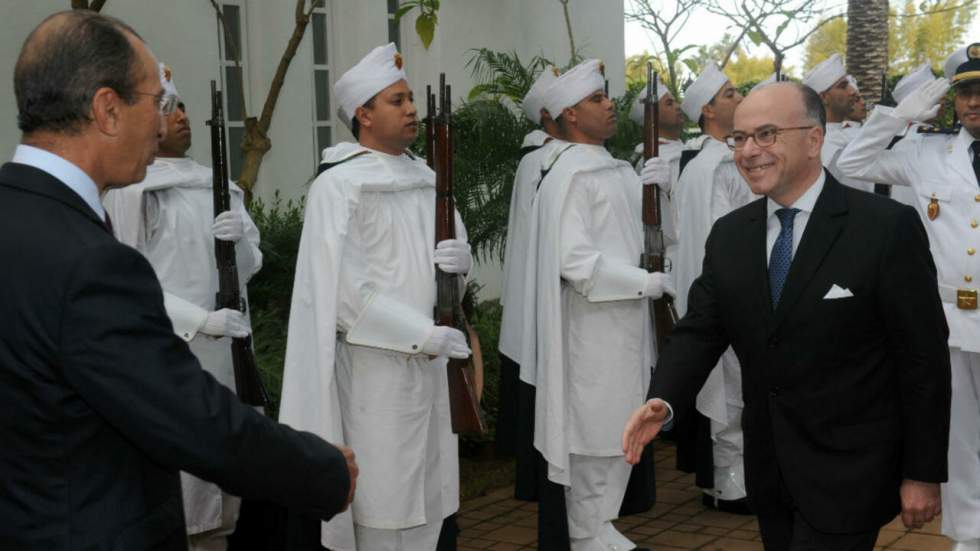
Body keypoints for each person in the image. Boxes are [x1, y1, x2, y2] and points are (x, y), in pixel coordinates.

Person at [0, 10, 356, 550]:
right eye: (158, 103)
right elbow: (191, 419)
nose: (164, 124)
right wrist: (323, 470)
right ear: (107, 110)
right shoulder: (93, 263)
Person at [622, 81, 950, 551]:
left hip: (851, 472)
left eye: (766, 135)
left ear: (814, 139)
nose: (748, 151)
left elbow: (922, 360)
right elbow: (700, 331)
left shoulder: (883, 228)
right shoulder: (732, 235)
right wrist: (664, 400)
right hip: (770, 470)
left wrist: (922, 473)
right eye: (739, 138)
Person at [278, 43, 472, 551]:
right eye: (396, 100)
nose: (411, 110)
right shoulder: (339, 186)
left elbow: (453, 261)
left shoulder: (429, 178)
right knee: (384, 506)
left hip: (432, 370)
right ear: (363, 114)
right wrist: (424, 334)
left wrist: (461, 263)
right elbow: (345, 297)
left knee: (431, 501)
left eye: (410, 99)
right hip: (376, 376)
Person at [101, 63, 262, 551]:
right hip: (174, 359)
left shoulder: (218, 185)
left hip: (228, 362)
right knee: (182, 505)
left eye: (183, 107)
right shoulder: (130, 192)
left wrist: (239, 245)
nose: (182, 117)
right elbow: (126, 284)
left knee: (224, 509)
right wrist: (198, 321)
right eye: (168, 108)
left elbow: (252, 264)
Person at [521, 58, 672, 551]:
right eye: (596, 99)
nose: (609, 106)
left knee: (621, 425)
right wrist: (641, 283)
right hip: (591, 328)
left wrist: (660, 189)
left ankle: (601, 524)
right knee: (592, 430)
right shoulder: (569, 173)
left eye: (607, 97)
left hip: (627, 326)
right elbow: (574, 260)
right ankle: (587, 531)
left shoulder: (616, 169)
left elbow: (655, 238)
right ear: (568, 114)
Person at [836, 47, 980, 551]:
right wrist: (896, 117)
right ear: (951, 101)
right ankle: (969, 538)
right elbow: (849, 161)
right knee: (959, 440)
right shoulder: (927, 152)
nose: (974, 102)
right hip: (947, 321)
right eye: (965, 92)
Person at [671, 62, 755, 514]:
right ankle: (728, 483)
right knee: (728, 387)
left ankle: (735, 478)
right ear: (706, 110)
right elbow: (729, 231)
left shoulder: (725, 157)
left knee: (740, 385)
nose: (738, 98)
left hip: (739, 287)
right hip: (728, 291)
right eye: (729, 94)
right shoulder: (712, 166)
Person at [802, 54, 869, 192]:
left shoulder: (847, 134)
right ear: (824, 97)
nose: (851, 92)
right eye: (843, 86)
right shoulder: (821, 141)